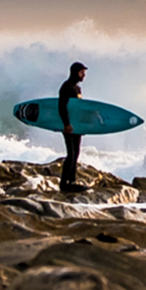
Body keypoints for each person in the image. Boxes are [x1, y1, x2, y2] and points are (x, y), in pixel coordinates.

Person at [58, 61, 90, 192]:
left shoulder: (77, 89)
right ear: (75, 72)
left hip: (76, 127)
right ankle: (64, 183)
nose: (84, 75)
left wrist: (82, 125)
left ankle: (72, 181)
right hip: (68, 126)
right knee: (70, 154)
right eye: (82, 73)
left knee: (76, 153)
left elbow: (77, 109)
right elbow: (61, 106)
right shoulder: (66, 87)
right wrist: (66, 124)